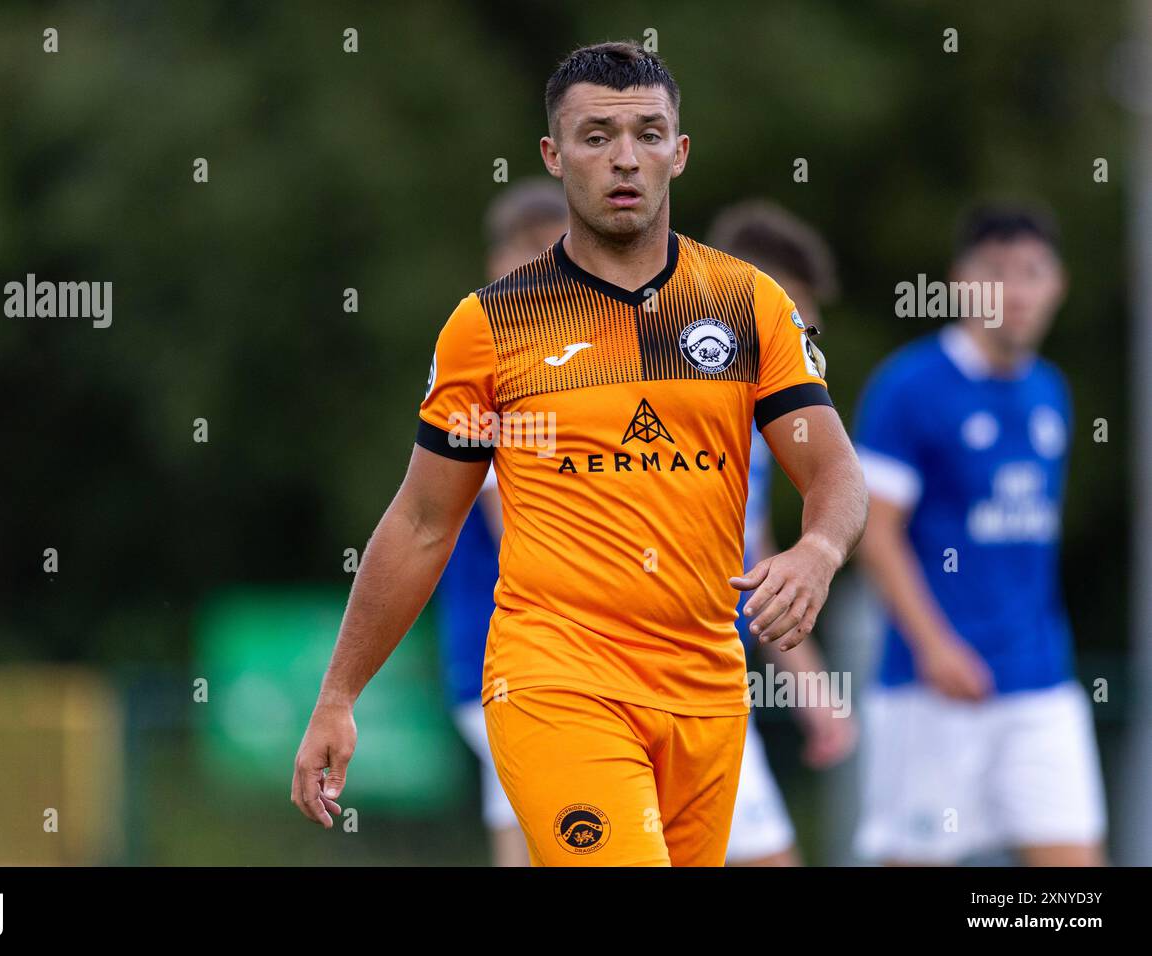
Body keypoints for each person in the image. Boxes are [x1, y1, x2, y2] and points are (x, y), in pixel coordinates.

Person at [292, 40, 868, 866]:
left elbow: (836, 472)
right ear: (553, 156)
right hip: (554, 677)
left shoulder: (750, 305)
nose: (624, 157)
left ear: (680, 151)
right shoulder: (488, 327)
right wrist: (338, 696)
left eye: (647, 132)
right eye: (596, 136)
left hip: (706, 690)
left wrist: (818, 549)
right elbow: (423, 522)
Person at [852, 202, 1107, 866]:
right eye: (996, 272)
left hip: (1040, 682)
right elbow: (873, 533)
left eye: (1031, 272)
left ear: (1058, 284)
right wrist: (936, 646)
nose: (1015, 292)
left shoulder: (1051, 393)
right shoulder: (909, 388)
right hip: (931, 689)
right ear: (961, 282)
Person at [706, 201, 857, 866]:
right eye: (791, 316)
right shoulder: (671, 394)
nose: (802, 339)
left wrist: (810, 685)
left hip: (714, 682)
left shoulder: (763, 415)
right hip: (634, 678)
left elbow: (755, 556)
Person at [436, 179, 567, 867]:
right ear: (499, 266)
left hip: (536, 657)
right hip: (508, 654)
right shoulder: (488, 363)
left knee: (523, 832)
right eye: (534, 256)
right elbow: (518, 517)